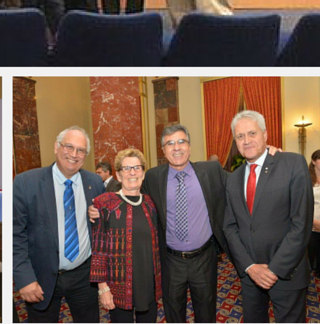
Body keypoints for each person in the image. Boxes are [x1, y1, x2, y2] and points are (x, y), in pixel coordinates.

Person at [129, 123, 230, 323]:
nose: (177, 147)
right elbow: (132, 198)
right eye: (170, 143)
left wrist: (267, 156)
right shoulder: (153, 177)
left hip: (205, 258)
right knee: (173, 313)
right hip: (170, 261)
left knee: (206, 313)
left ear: (189, 146)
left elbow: (241, 183)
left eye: (181, 141)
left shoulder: (211, 170)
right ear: (163, 150)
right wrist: (101, 206)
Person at [224, 110, 312, 323]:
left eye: (252, 133)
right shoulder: (232, 178)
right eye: (240, 136)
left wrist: (274, 270)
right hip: (250, 275)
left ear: (265, 134)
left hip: (287, 272)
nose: (246, 141)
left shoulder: (292, 164)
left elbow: (301, 224)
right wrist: (249, 267)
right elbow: (229, 227)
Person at [13, 126, 104, 323]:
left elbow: (102, 228)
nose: (74, 154)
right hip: (41, 277)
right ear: (56, 147)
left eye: (81, 150)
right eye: (69, 147)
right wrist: (25, 278)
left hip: (84, 276)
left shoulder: (95, 182)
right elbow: (15, 235)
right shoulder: (26, 183)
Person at [91, 148, 162, 323]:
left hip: (148, 284)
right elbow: (98, 249)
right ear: (119, 175)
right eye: (126, 168)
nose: (132, 172)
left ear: (143, 173)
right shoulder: (104, 203)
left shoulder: (150, 203)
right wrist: (102, 288)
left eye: (137, 168)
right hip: (118, 286)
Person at [310, 149, 320, 277]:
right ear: (313, 161)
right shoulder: (306, 179)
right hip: (311, 224)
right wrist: (313, 221)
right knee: (310, 258)